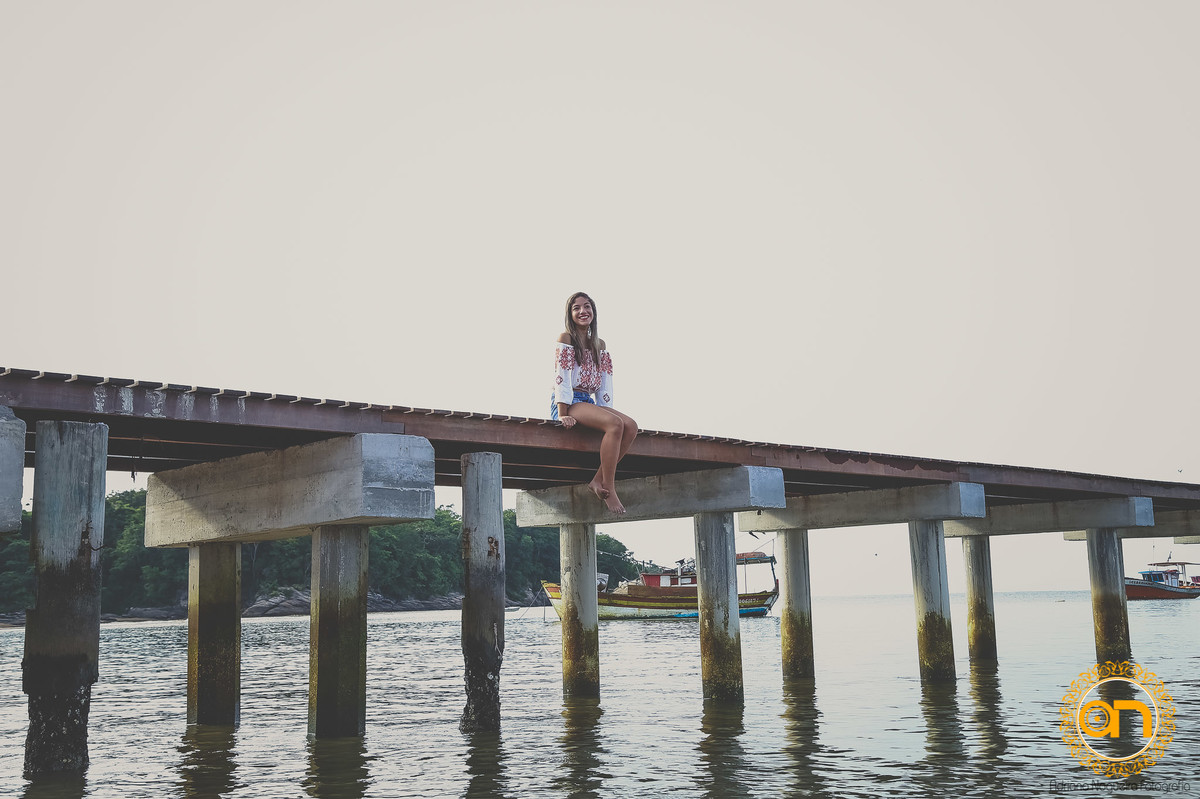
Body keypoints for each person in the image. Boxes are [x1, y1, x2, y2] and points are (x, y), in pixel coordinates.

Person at [552, 291, 638, 514]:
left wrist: (606, 412)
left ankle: (597, 480)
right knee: (615, 424)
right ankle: (609, 486)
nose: (583, 311)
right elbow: (561, 376)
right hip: (569, 401)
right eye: (577, 308)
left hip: (588, 402)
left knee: (630, 425)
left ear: (593, 312)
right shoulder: (566, 338)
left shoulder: (599, 344)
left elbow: (605, 384)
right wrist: (562, 412)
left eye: (587, 306)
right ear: (570, 314)